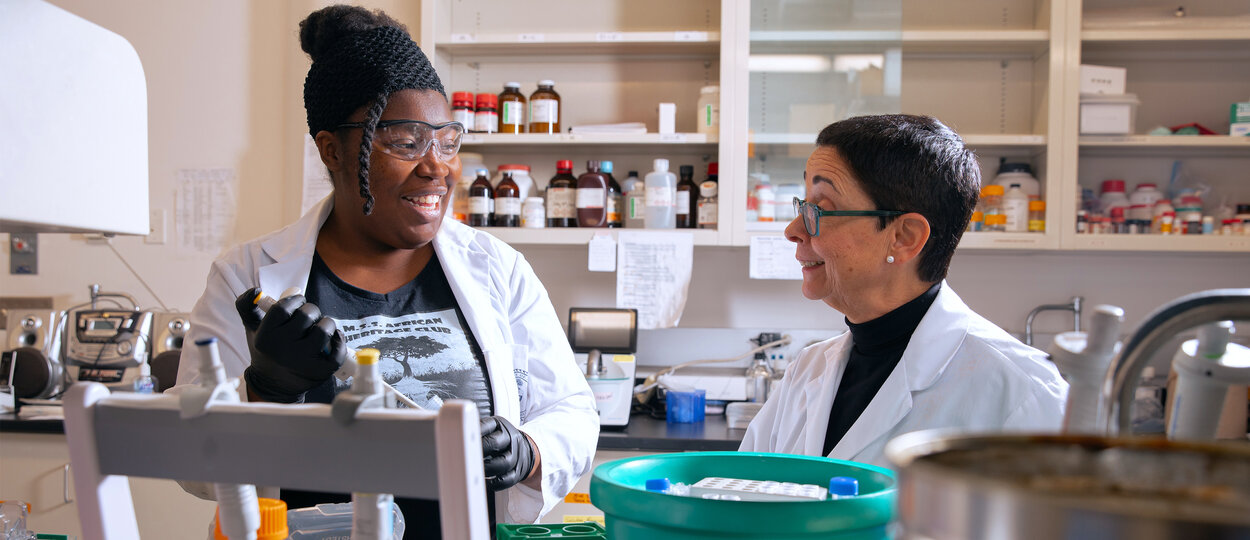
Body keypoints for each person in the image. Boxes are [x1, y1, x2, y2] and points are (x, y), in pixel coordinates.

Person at [172, 5, 598, 531]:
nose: (436, 166)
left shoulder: (496, 268)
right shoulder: (248, 274)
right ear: (332, 150)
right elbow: (189, 459)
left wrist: (529, 451)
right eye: (405, 142)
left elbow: (572, 409)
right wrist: (264, 387)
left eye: (446, 140)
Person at [739, 114, 1068, 467]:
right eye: (803, 206)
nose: (793, 229)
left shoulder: (1023, 392)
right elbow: (748, 493)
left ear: (904, 236)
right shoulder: (807, 369)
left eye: (819, 209)